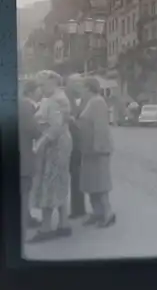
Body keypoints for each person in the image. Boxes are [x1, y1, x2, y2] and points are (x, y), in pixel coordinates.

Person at [29, 71, 73, 243]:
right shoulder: (55, 98)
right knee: (59, 183)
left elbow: (55, 127)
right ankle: (64, 224)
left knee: (49, 184)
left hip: (56, 146)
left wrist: (39, 143)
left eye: (42, 84)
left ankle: (46, 228)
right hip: (59, 144)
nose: (40, 88)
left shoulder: (57, 99)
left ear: (52, 82)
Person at [78, 77, 115, 228]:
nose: (81, 90)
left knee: (100, 183)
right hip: (88, 149)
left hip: (97, 150)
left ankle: (108, 213)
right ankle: (97, 212)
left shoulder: (97, 102)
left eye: (83, 87)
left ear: (88, 88)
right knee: (91, 183)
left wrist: (98, 147)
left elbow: (100, 127)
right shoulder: (90, 102)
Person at [18, 79, 42, 241]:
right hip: (23, 154)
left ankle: (26, 216)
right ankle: (23, 220)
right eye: (38, 89)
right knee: (25, 188)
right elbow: (33, 130)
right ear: (32, 91)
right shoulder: (26, 106)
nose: (40, 92)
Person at [65, 74, 87, 219]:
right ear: (69, 84)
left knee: (79, 177)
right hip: (67, 143)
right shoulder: (65, 99)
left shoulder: (86, 98)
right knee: (69, 177)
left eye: (80, 82)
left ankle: (79, 209)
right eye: (75, 82)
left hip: (81, 145)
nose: (79, 85)